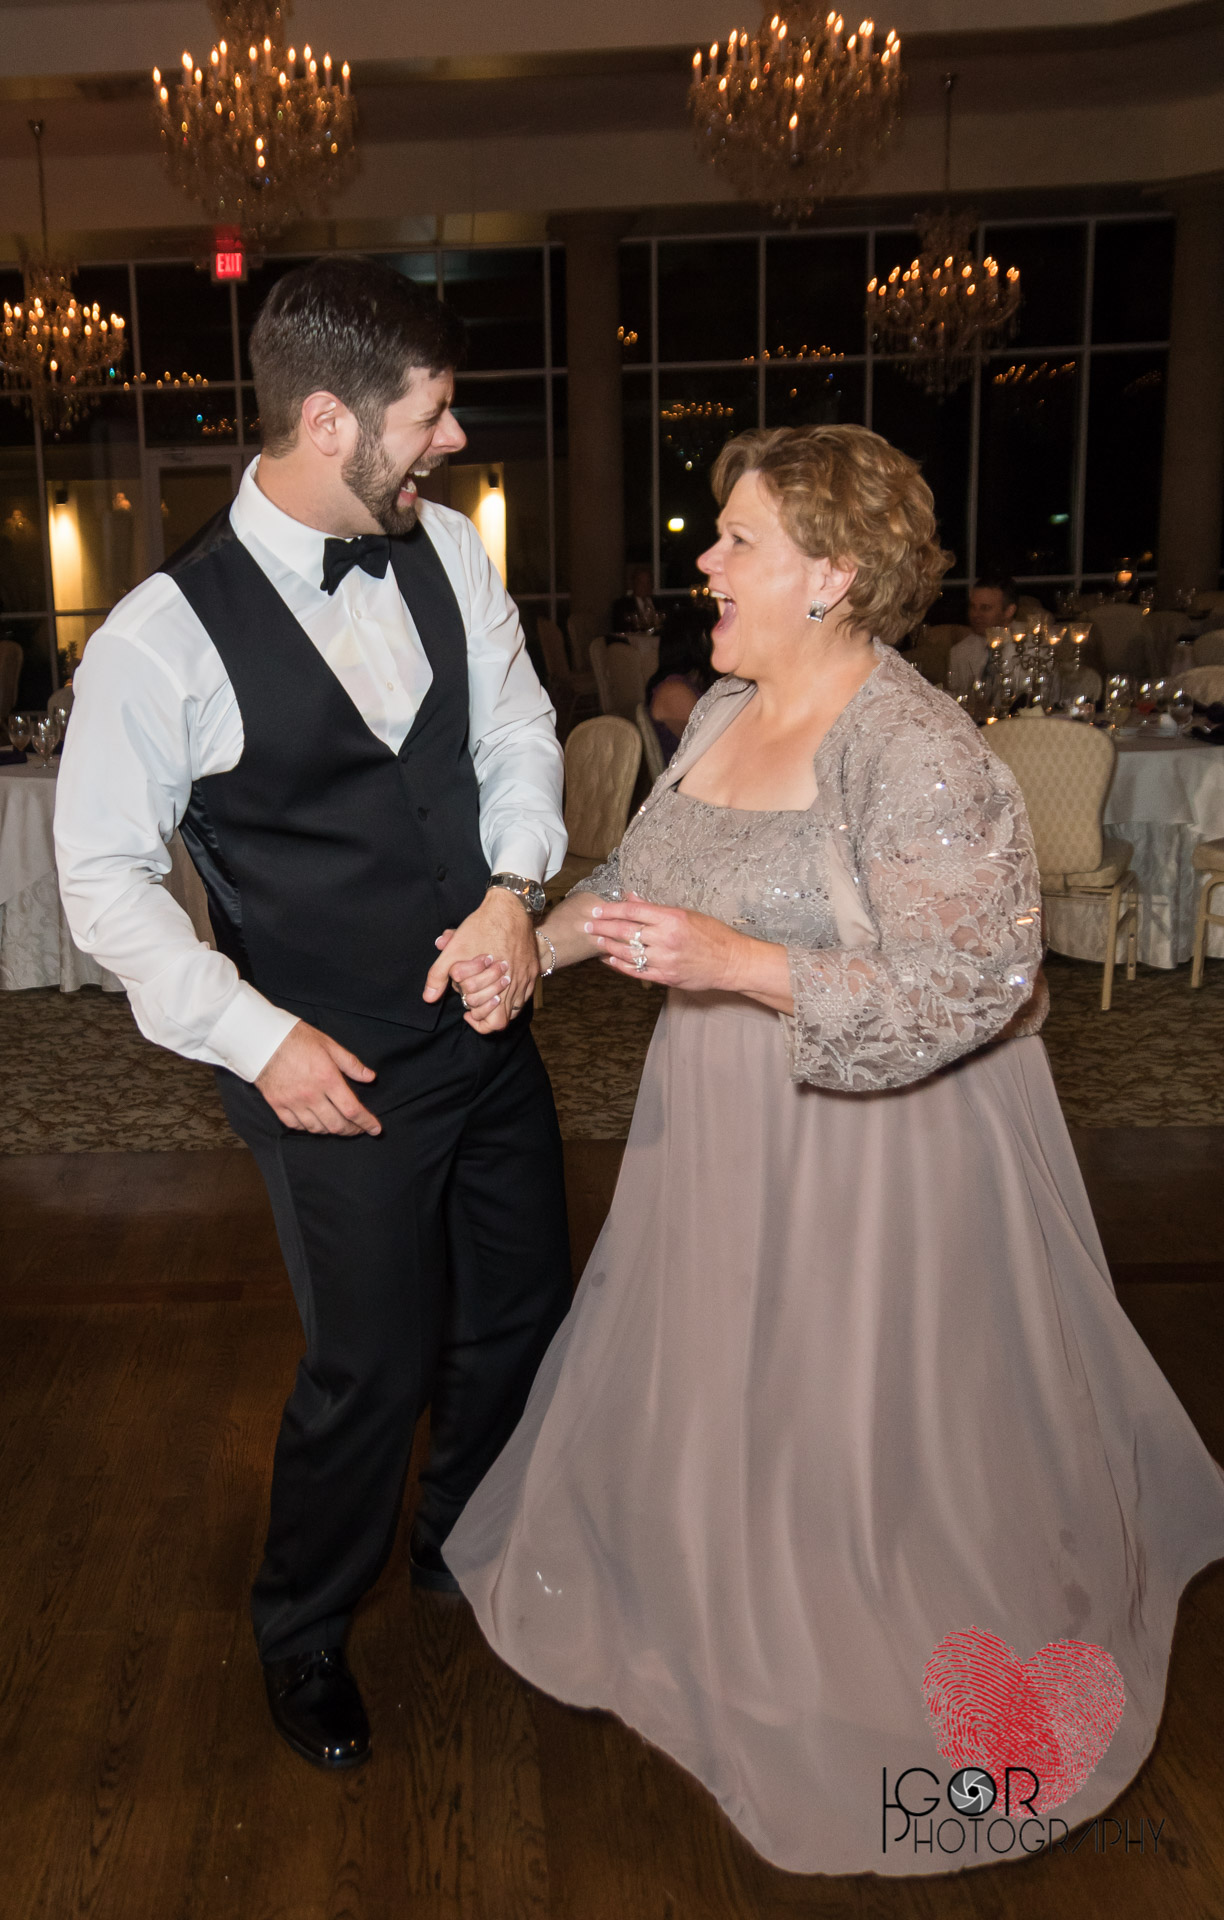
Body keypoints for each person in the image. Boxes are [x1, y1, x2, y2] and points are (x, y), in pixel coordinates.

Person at [443, 424, 1224, 1876]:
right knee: (720, 1365)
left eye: (738, 539)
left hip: (876, 1150)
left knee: (851, 1406)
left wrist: (740, 964)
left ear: (834, 573)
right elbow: (645, 878)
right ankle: (714, 1588)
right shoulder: (729, 707)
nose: (706, 561)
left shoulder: (914, 745)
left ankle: (850, 1623)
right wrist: (531, 948)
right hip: (721, 1125)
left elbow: (979, 984)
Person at [54, 256, 574, 1774]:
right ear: (333, 420)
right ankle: (301, 1627)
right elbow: (100, 879)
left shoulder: (450, 554)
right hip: (327, 1065)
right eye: (435, 416)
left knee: (523, 1309)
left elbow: (518, 729)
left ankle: (459, 1543)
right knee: (374, 1361)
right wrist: (252, 1035)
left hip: (487, 1033)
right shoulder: (162, 636)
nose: (457, 443)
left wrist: (515, 892)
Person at [643, 601, 718, 765]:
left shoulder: (691, 680)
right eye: (711, 632)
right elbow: (711, 747)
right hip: (689, 782)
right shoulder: (673, 690)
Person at [947, 572, 1018, 693]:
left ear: (1009, 611)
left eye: (985, 608)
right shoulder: (959, 652)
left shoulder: (1031, 651)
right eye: (973, 607)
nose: (976, 615)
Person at [611, 562, 661, 634]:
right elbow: (620, 629)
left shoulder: (658, 603)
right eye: (641, 582)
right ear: (633, 583)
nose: (645, 587)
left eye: (648, 582)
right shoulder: (622, 605)